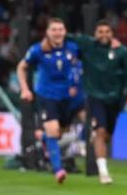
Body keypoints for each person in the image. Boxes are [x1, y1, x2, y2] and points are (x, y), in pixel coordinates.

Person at [65, 20, 127, 184]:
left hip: (115, 98)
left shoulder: (121, 51)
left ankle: (94, 138)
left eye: (107, 31)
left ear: (112, 34)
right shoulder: (88, 45)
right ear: (95, 34)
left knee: (106, 135)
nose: (104, 34)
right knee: (100, 131)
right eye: (100, 31)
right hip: (94, 96)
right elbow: (66, 36)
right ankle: (103, 172)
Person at [16, 18, 80, 184]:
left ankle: (44, 138)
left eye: (60, 29)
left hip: (67, 97)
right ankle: (58, 170)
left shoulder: (72, 47)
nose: (58, 32)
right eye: (54, 29)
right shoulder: (38, 50)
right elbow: (21, 67)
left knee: (59, 133)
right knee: (53, 131)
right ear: (48, 32)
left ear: (65, 32)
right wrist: (24, 89)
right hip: (46, 95)